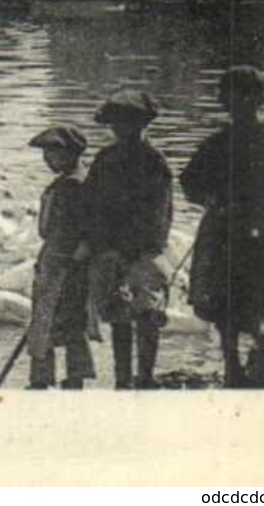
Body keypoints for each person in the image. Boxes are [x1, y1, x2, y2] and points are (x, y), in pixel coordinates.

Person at [181, 66, 264, 388]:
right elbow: (189, 182)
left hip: (258, 233)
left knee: (259, 295)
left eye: (239, 93)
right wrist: (211, 199)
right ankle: (232, 362)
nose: (231, 101)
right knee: (223, 298)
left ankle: (260, 358)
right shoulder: (217, 143)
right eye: (227, 94)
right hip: (225, 231)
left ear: (256, 98)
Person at [83, 89, 172, 389]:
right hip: (110, 251)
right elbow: (91, 205)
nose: (122, 129)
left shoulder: (155, 162)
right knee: (118, 315)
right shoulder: (104, 159)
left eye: (130, 123)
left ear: (143, 124)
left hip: (144, 252)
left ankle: (145, 375)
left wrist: (141, 249)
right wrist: (100, 246)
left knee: (147, 314)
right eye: (117, 123)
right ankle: (122, 378)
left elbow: (161, 213)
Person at [24, 125, 96, 389]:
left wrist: (74, 257)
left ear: (70, 154)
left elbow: (88, 229)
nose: (46, 160)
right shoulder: (73, 181)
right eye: (45, 154)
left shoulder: (75, 185)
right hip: (58, 261)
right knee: (65, 323)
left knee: (48, 323)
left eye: (51, 154)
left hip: (65, 266)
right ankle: (73, 378)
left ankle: (43, 380)